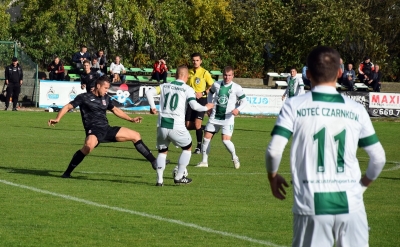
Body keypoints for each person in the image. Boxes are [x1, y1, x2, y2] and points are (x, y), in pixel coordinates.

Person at [265, 46, 386, 247]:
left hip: (311, 204)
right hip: (351, 206)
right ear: (340, 72)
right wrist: (361, 187)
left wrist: (272, 177)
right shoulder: (356, 109)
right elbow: (379, 158)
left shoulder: (294, 105)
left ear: (308, 74)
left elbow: (273, 150)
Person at [48, 75, 161, 178]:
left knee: (135, 135)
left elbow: (115, 110)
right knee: (87, 148)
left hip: (107, 129)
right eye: (105, 88)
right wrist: (57, 118)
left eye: (108, 88)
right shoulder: (84, 97)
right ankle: (67, 173)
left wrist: (131, 119)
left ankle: (154, 162)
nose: (107, 90)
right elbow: (68, 107)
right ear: (98, 86)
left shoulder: (105, 98)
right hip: (94, 131)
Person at [145, 65, 214, 186]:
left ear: (176, 75)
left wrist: (152, 107)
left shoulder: (164, 85)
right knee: (188, 148)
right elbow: (194, 105)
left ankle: (159, 180)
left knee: (162, 151)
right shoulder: (187, 89)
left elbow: (149, 92)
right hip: (176, 124)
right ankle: (179, 176)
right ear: (186, 77)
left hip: (162, 123)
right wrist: (206, 107)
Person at [196, 66, 247, 169]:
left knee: (225, 141)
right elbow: (210, 93)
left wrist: (238, 109)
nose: (227, 77)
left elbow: (244, 101)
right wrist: (209, 105)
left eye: (229, 75)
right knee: (206, 139)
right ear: (222, 75)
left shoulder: (237, 87)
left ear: (233, 76)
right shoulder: (216, 84)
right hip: (215, 116)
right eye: (225, 75)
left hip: (227, 118)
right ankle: (204, 161)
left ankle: (234, 157)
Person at [185, 52, 214, 154]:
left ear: (201, 61)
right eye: (193, 60)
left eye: (197, 60)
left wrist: (202, 93)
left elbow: (212, 86)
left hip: (202, 100)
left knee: (197, 124)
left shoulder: (205, 73)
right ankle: (206, 128)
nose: (195, 62)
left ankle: (198, 146)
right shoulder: (189, 73)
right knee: (187, 125)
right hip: (191, 100)